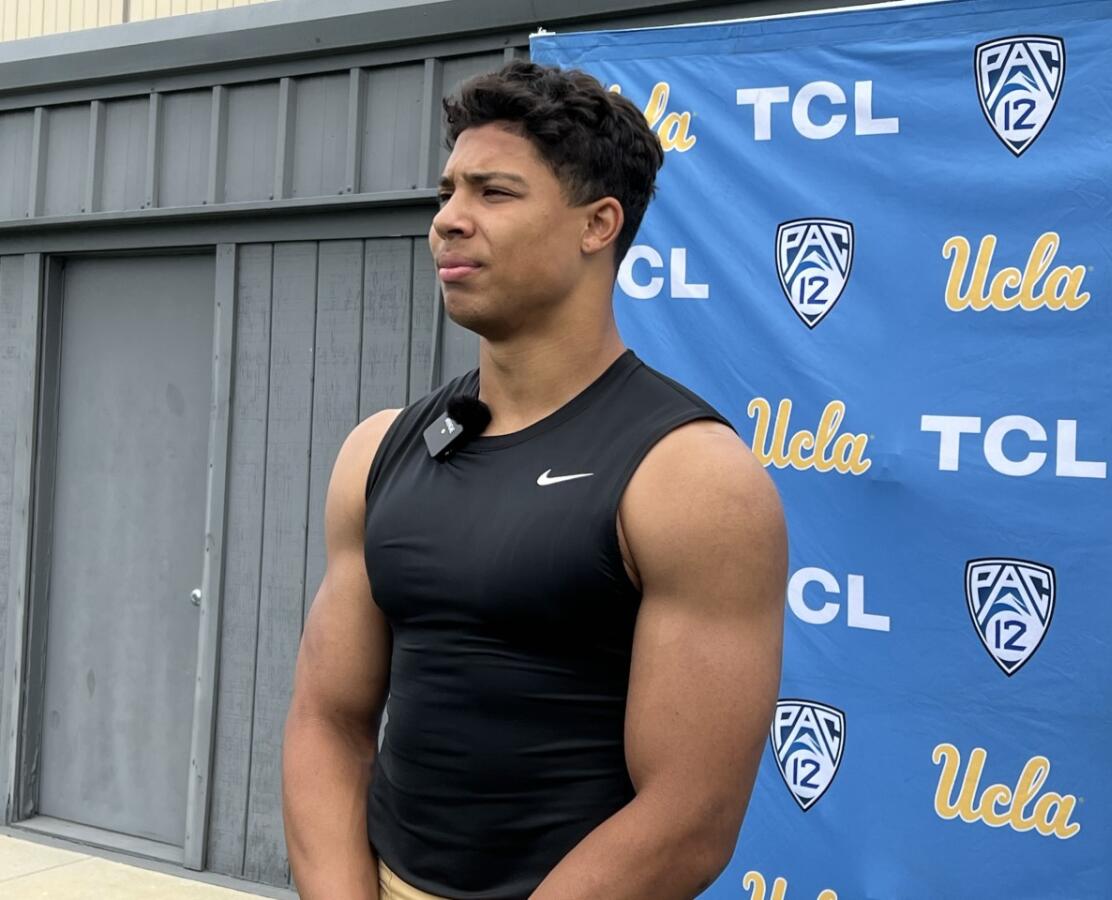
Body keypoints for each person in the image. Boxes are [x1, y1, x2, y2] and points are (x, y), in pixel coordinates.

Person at [282, 60, 788, 900]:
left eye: (494, 193)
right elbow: (327, 723)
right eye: (448, 191)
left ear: (598, 225)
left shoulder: (691, 479)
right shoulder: (378, 450)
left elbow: (690, 816)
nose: (449, 219)